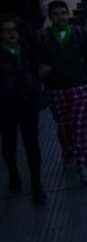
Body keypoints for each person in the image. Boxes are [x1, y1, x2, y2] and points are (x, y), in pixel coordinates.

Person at [39, 1, 87, 184]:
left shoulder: (78, 33)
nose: (60, 17)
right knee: (65, 126)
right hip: (56, 89)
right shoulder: (44, 37)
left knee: (79, 125)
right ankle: (68, 151)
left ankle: (83, 165)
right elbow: (38, 61)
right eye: (56, 14)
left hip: (79, 86)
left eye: (63, 13)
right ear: (50, 17)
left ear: (68, 14)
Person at [0, 16, 46, 203]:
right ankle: (13, 174)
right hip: (5, 105)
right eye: (6, 30)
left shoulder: (28, 51)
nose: (11, 33)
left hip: (28, 103)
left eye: (13, 29)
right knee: (9, 143)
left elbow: (39, 67)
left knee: (32, 144)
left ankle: (37, 184)